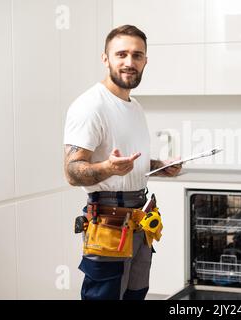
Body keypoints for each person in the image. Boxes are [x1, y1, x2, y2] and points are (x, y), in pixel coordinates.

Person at [63, 25, 181, 300]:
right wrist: (107, 167)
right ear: (106, 59)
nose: (130, 62)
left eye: (137, 55)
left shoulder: (134, 106)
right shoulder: (90, 106)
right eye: (121, 54)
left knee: (136, 294)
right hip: (108, 224)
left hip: (139, 221)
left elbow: (131, 163)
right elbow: (71, 171)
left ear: (146, 61)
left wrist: (161, 166)